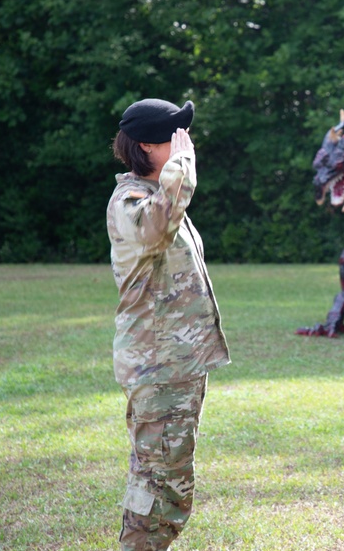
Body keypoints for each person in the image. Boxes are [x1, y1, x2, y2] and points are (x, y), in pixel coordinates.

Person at [106, 98, 231, 551]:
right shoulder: (131, 201)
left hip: (173, 367)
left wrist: (176, 164)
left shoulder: (154, 196)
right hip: (157, 368)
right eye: (174, 137)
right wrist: (184, 165)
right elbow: (159, 225)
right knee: (160, 485)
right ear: (145, 147)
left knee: (165, 482)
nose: (185, 142)